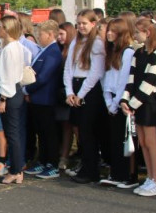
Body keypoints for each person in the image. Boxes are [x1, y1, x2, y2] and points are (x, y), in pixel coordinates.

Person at [121, 17, 156, 196]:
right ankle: (149, 177)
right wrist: (125, 100)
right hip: (136, 104)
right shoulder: (137, 53)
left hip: (149, 103)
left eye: (137, 32)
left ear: (147, 33)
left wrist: (133, 104)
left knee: (151, 142)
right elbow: (131, 79)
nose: (134, 35)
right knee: (143, 143)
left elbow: (151, 82)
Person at [64, 10, 107, 183]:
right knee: (80, 132)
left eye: (85, 23)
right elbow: (68, 68)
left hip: (89, 90)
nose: (81, 26)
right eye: (79, 23)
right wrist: (69, 92)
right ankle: (85, 167)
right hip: (75, 87)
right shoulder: (76, 41)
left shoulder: (97, 43)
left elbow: (95, 72)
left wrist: (81, 94)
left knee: (89, 132)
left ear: (93, 24)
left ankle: (92, 171)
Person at [101, 17, 137, 188]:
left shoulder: (128, 52)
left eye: (113, 31)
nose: (109, 33)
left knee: (124, 140)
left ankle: (126, 175)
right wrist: (108, 101)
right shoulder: (111, 52)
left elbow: (124, 80)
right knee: (114, 140)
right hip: (112, 102)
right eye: (108, 30)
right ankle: (116, 173)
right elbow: (107, 79)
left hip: (122, 102)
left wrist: (115, 102)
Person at [25, 20, 64, 179]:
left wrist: (27, 89)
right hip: (37, 99)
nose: (38, 37)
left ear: (50, 34)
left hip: (46, 99)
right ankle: (43, 160)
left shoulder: (53, 52)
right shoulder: (44, 50)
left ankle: (52, 164)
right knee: (41, 133)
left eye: (40, 34)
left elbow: (43, 77)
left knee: (49, 133)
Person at [0, 16, 27, 184]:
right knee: (14, 133)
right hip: (14, 92)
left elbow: (7, 77)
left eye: (0, 27)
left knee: (12, 134)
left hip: (9, 93)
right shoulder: (16, 47)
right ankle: (17, 168)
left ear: (7, 29)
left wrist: (2, 98)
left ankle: (15, 170)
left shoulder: (9, 49)